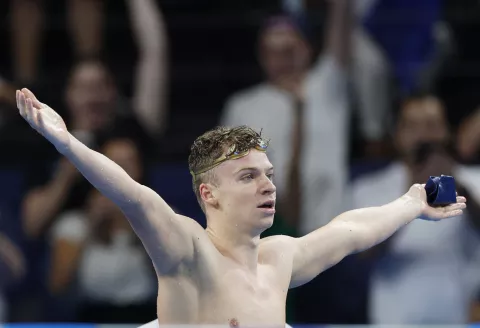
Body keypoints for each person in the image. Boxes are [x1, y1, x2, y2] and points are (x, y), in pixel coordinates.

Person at [15, 88, 466, 327]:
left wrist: (411, 204)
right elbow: (135, 197)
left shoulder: (279, 258)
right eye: (248, 177)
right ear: (209, 195)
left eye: (268, 173)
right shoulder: (189, 253)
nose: (266, 185)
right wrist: (66, 141)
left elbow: (351, 231)